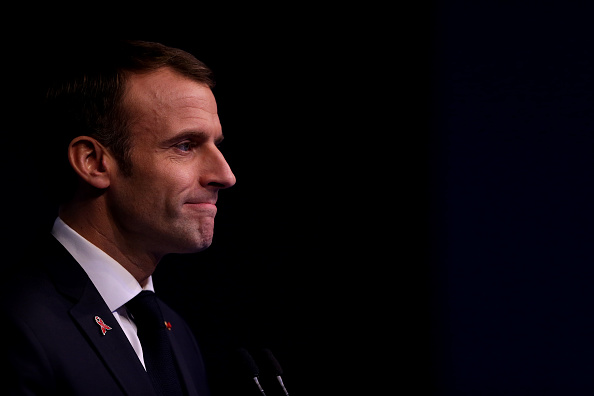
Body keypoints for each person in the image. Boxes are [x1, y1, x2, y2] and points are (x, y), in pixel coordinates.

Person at [0, 39, 236, 395]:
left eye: (217, 144)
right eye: (185, 145)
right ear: (93, 162)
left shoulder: (174, 331)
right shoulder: (13, 323)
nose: (226, 175)